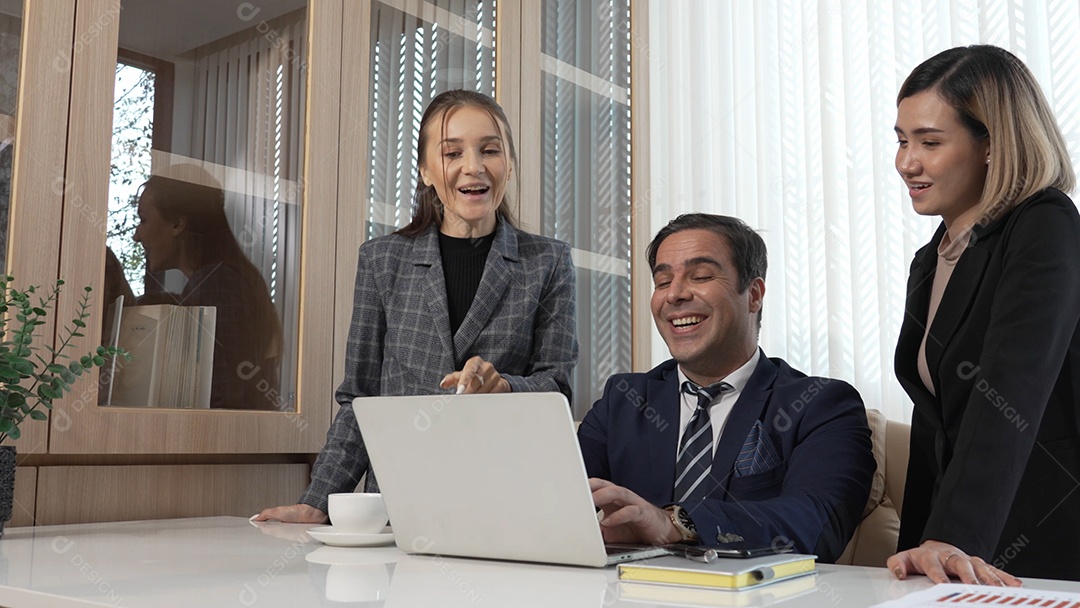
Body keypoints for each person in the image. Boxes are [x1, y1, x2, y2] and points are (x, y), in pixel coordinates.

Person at [256, 90, 578, 524]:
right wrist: (317, 502)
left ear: (510, 164)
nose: (474, 166)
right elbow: (360, 398)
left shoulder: (548, 261)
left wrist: (504, 388)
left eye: (490, 150)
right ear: (426, 171)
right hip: (399, 506)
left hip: (504, 505)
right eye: (452, 152)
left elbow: (557, 386)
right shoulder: (382, 260)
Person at [578, 214, 875, 563]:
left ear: (753, 295)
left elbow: (814, 521)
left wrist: (676, 523)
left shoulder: (822, 405)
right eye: (662, 281)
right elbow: (554, 494)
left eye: (701, 276)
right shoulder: (623, 400)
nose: (674, 294)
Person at [889, 45, 1080, 585]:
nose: (907, 162)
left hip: (1044, 542)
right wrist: (918, 556)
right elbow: (936, 427)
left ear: (992, 144)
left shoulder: (1046, 224)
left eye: (929, 142)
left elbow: (1010, 388)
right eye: (902, 141)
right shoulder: (933, 258)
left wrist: (954, 536)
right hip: (955, 554)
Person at [130, 169, 283, 410]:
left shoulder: (218, 284)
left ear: (178, 224)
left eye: (143, 220)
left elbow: (223, 398)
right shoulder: (222, 282)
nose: (137, 235)